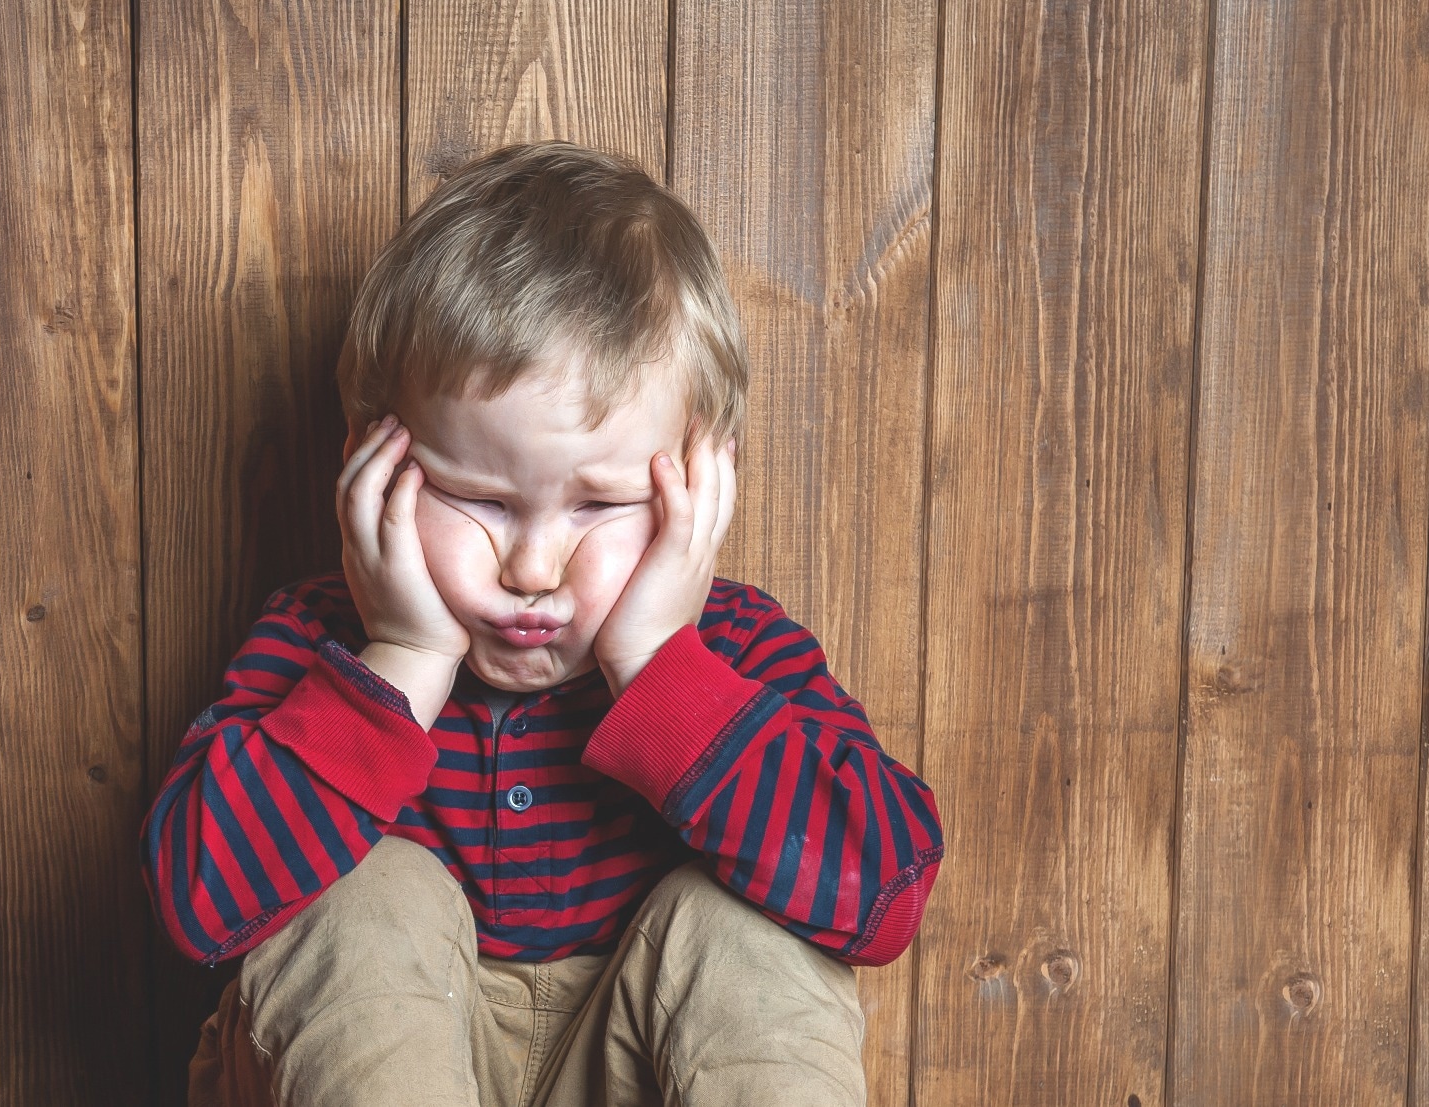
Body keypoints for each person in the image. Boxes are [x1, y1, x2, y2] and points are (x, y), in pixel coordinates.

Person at [138, 140, 944, 1107]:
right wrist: (404, 658)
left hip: (638, 1065)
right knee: (365, 899)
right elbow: (196, 905)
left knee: (748, 927)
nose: (530, 567)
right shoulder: (325, 641)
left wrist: (657, 670)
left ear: (705, 485)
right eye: (478, 498)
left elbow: (885, 896)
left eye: (597, 507)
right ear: (368, 464)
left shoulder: (731, 650)